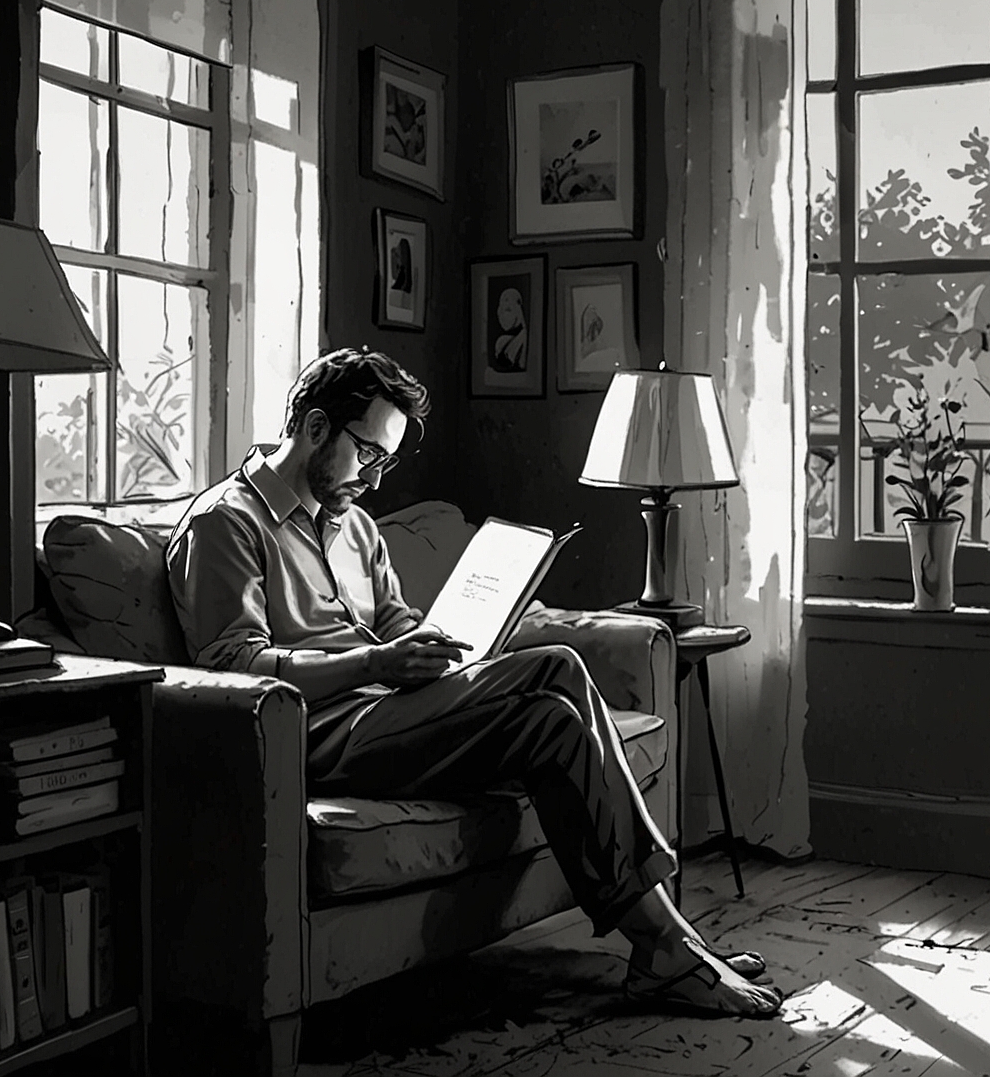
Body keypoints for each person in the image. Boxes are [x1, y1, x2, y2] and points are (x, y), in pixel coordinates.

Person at [166, 348, 780, 1018]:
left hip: (395, 712)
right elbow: (233, 669)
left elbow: (400, 624)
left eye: (385, 463)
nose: (373, 480)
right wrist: (376, 665)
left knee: (550, 720)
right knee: (556, 668)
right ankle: (671, 945)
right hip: (318, 736)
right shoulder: (226, 521)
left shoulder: (357, 527)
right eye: (367, 455)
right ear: (316, 429)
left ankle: (665, 942)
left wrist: (458, 637)